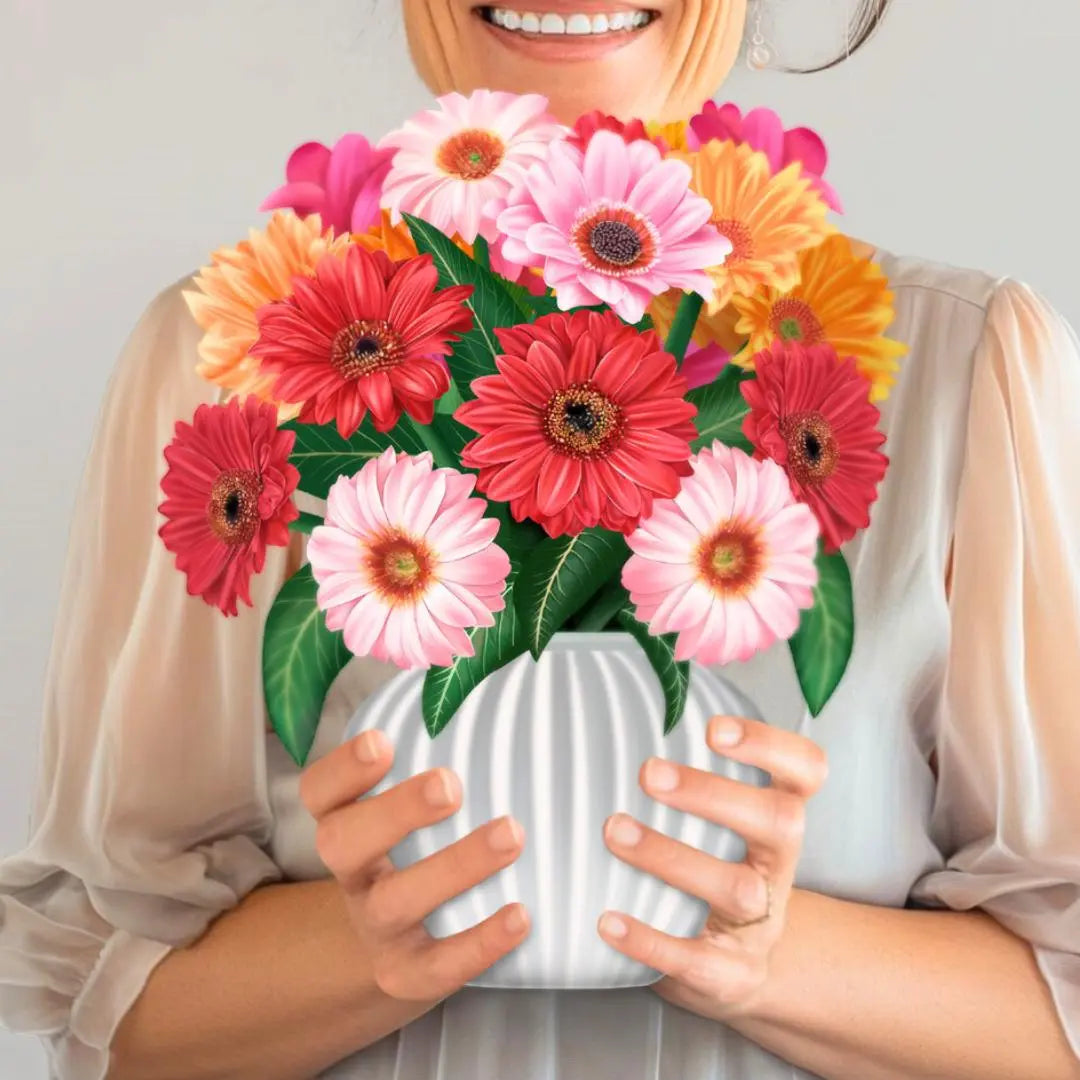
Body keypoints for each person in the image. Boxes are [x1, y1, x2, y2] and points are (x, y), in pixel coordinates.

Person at [2, 1, 1079, 1078]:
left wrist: (770, 956)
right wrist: (359, 948)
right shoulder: (225, 366)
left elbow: (1060, 1015)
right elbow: (107, 1009)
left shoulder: (964, 370)